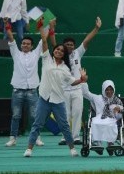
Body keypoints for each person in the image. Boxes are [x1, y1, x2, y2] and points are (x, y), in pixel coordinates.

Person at [24, 23, 88, 157]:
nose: (58, 51)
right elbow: (45, 41)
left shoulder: (66, 68)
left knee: (64, 126)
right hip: (44, 99)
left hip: (58, 101)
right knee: (37, 124)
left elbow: (72, 82)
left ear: (63, 54)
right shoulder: (46, 58)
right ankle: (29, 149)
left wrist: (81, 80)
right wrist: (42, 28)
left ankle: (72, 149)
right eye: (57, 49)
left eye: (61, 51)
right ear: (54, 51)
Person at [58, 17, 102, 145]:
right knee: (65, 115)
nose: (69, 46)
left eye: (71, 45)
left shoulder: (78, 53)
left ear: (74, 46)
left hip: (77, 88)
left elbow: (87, 39)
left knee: (77, 112)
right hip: (64, 89)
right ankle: (64, 137)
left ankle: (76, 137)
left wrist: (97, 28)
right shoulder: (59, 55)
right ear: (63, 46)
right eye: (67, 45)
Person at [3, 19, 46, 147]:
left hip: (33, 91)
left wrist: (44, 26)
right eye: (23, 43)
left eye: (28, 44)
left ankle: (37, 137)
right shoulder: (15, 52)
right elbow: (10, 38)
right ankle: (13, 138)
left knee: (34, 116)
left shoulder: (36, 53)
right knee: (16, 116)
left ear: (31, 46)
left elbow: (43, 40)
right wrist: (7, 25)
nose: (25, 45)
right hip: (17, 91)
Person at [81, 79, 124, 155]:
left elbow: (122, 108)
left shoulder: (116, 100)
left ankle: (110, 143)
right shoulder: (97, 98)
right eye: (107, 90)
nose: (109, 91)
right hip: (99, 117)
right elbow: (85, 93)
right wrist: (83, 81)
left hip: (111, 118)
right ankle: (98, 144)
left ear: (114, 90)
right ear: (103, 90)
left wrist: (119, 108)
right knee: (95, 123)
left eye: (111, 89)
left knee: (111, 124)